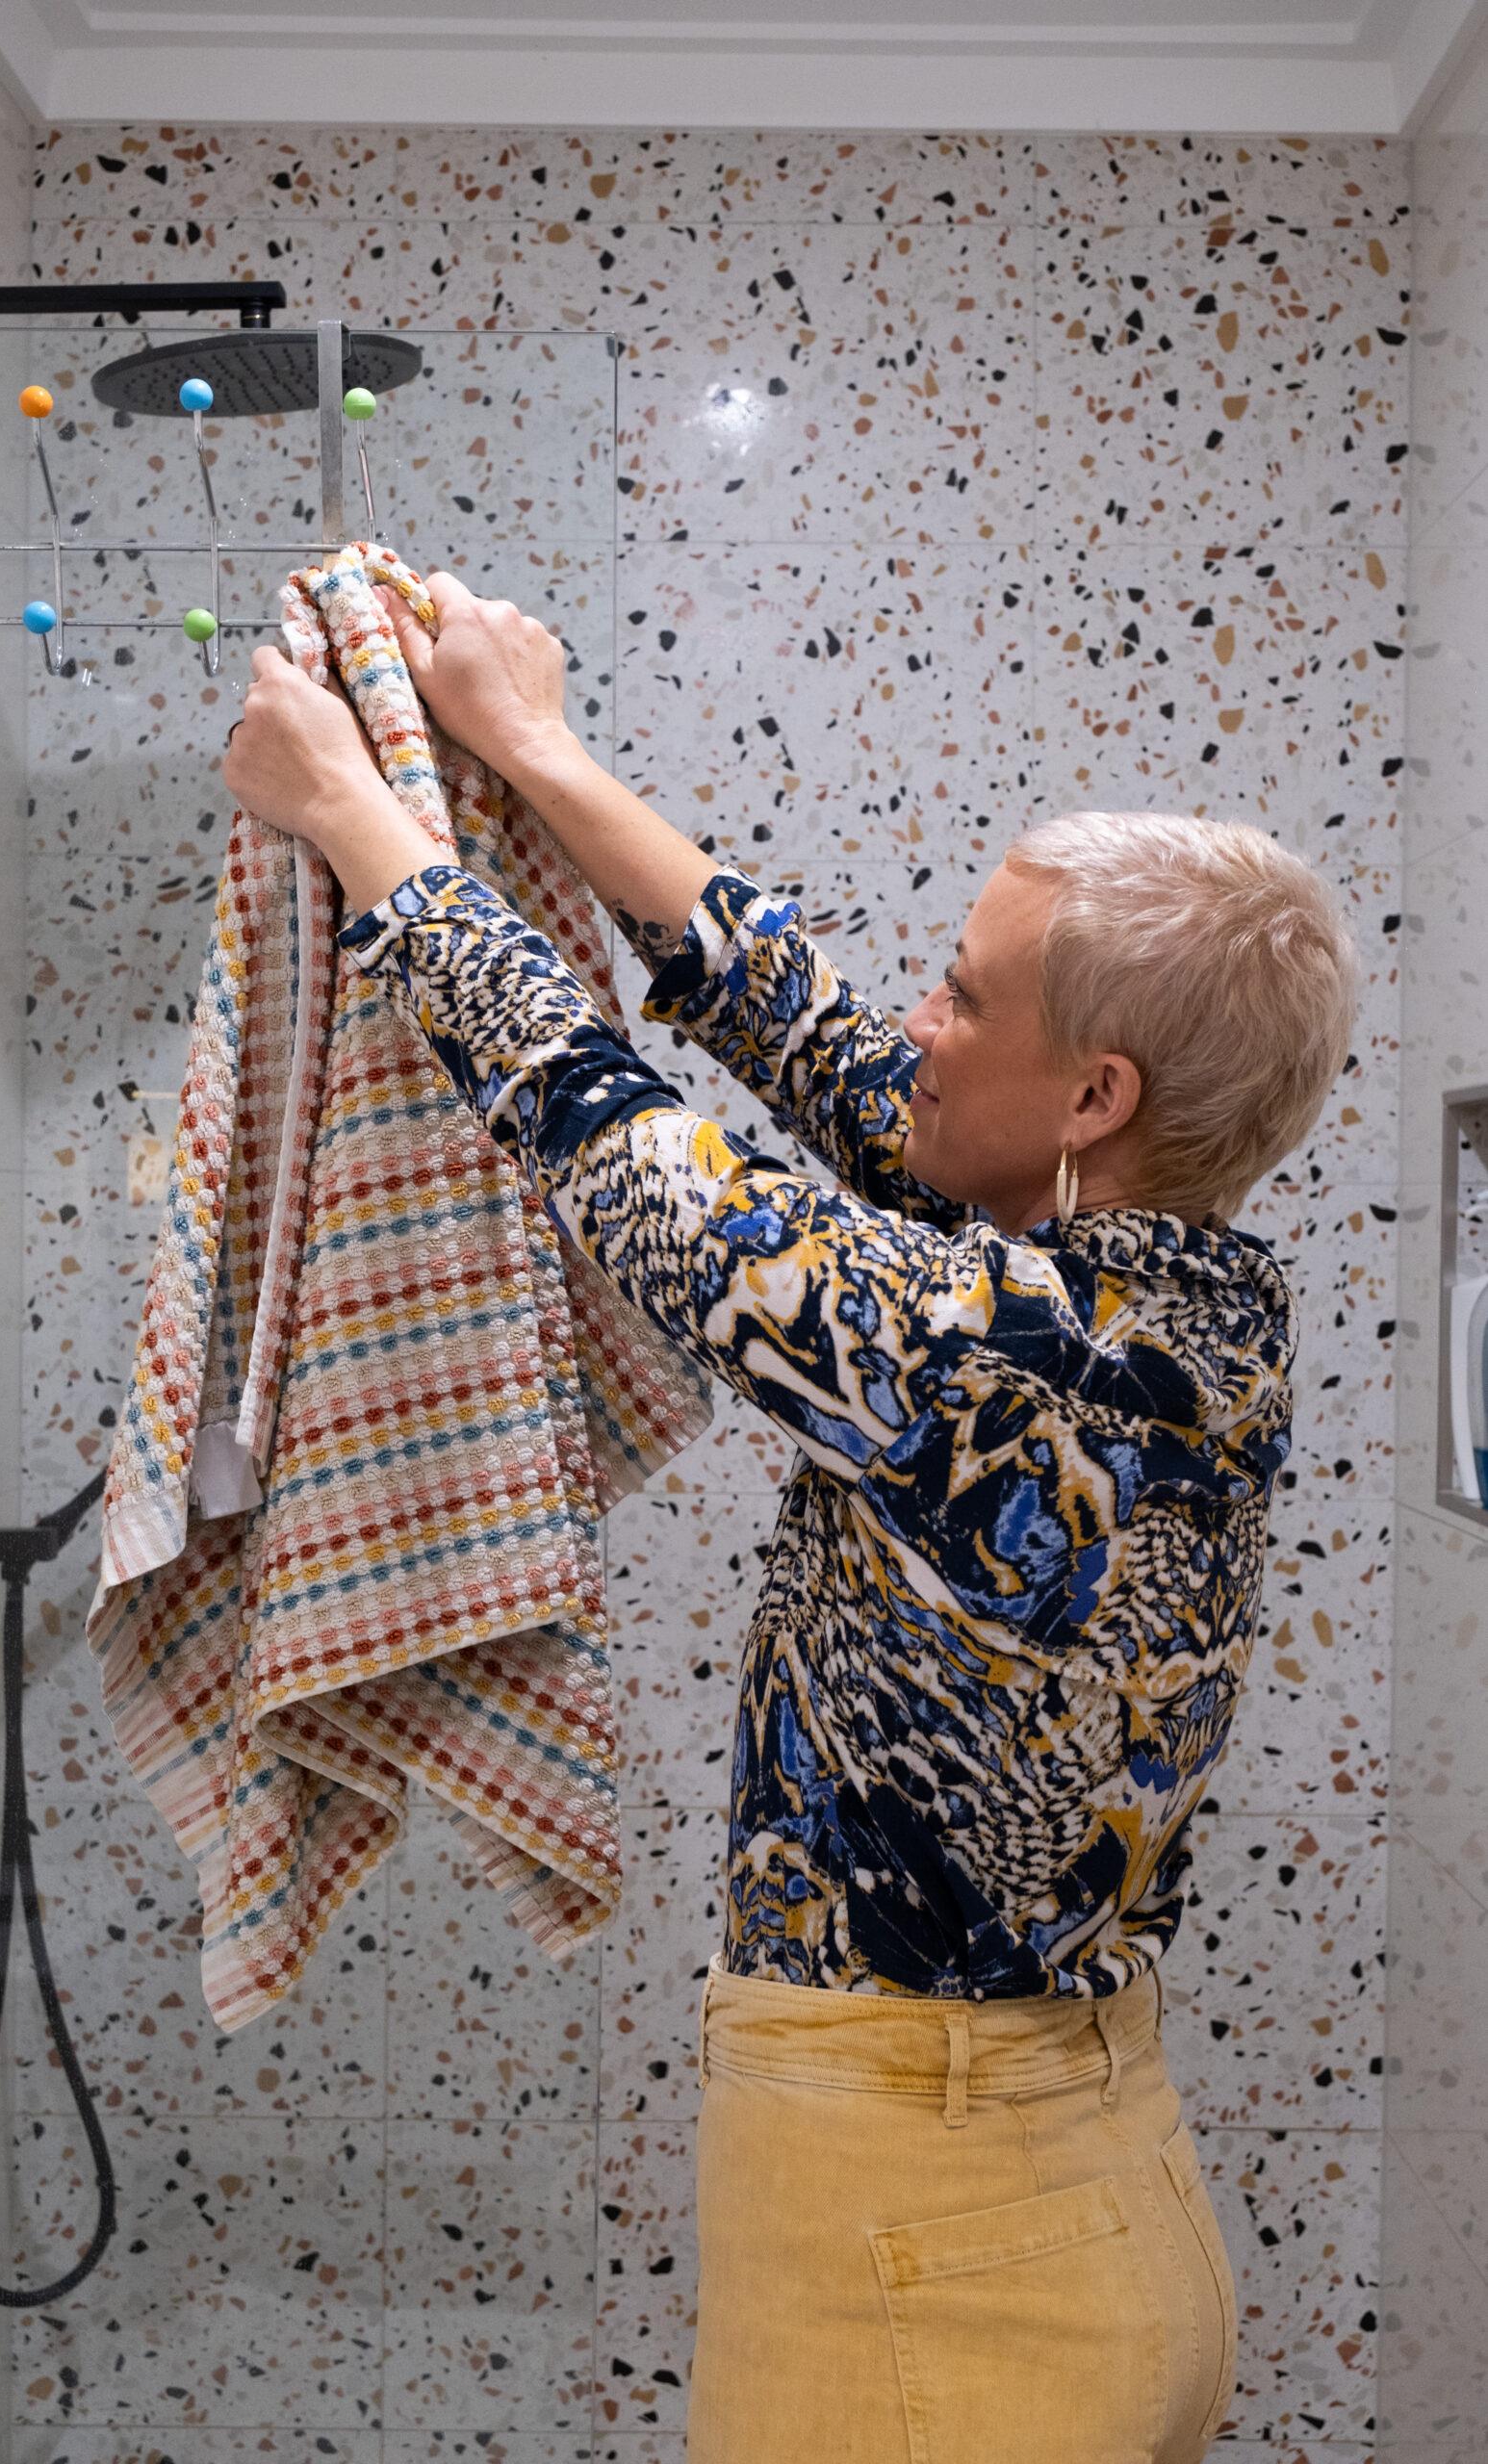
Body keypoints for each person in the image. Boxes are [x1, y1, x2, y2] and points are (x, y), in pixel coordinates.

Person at [223, 571, 1359, 2464]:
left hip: (930, 2245)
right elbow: (826, 1040)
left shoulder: (1022, 1357)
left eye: (962, 991)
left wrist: (359, 826)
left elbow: (645, 1172)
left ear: (1093, 1092)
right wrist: (532, 751)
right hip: (1069, 2200)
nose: (912, 1015)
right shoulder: (1175, 1298)